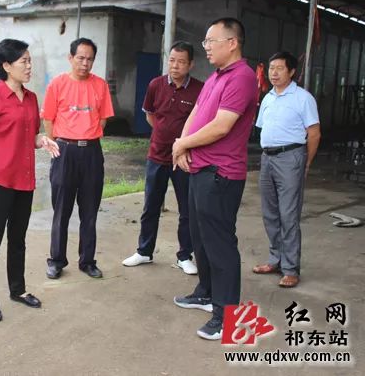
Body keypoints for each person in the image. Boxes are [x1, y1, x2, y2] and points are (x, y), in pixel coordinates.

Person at [171, 18, 258, 340]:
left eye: (211, 40)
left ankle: (227, 316)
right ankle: (206, 292)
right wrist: (181, 144)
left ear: (232, 42)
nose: (206, 46)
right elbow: (196, 115)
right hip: (200, 170)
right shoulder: (216, 77)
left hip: (221, 174)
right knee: (200, 237)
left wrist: (184, 144)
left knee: (221, 245)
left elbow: (222, 126)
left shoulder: (243, 78)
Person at [0, 39, 59, 322]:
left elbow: (31, 136)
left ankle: (17, 290)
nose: (29, 66)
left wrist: (43, 140)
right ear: (6, 66)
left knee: (18, 239)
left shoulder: (32, 98)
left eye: (30, 61)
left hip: (24, 181)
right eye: (24, 62)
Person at [122, 41, 203, 275]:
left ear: (190, 65)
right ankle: (144, 251)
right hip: (157, 156)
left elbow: (200, 123)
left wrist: (184, 145)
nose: (175, 66)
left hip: (185, 159)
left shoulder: (200, 89)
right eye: (172, 60)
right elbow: (150, 115)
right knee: (151, 206)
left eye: (181, 62)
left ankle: (184, 256)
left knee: (187, 209)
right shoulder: (156, 85)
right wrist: (162, 133)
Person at [41, 37, 115, 280]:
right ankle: (56, 260)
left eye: (90, 59)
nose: (85, 63)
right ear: (70, 58)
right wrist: (57, 144)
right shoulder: (57, 85)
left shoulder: (100, 85)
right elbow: (49, 119)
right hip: (64, 152)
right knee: (61, 210)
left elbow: (103, 118)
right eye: (80, 58)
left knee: (90, 210)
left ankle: (87, 261)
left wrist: (86, 135)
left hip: (92, 152)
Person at [252, 51, 321, 288]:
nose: (274, 73)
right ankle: (275, 260)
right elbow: (262, 128)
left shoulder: (303, 98)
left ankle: (291, 268)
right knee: (270, 213)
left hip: (291, 156)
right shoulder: (268, 98)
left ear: (291, 72)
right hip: (267, 158)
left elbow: (314, 133)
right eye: (271, 68)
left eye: (280, 68)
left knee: (288, 215)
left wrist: (306, 162)